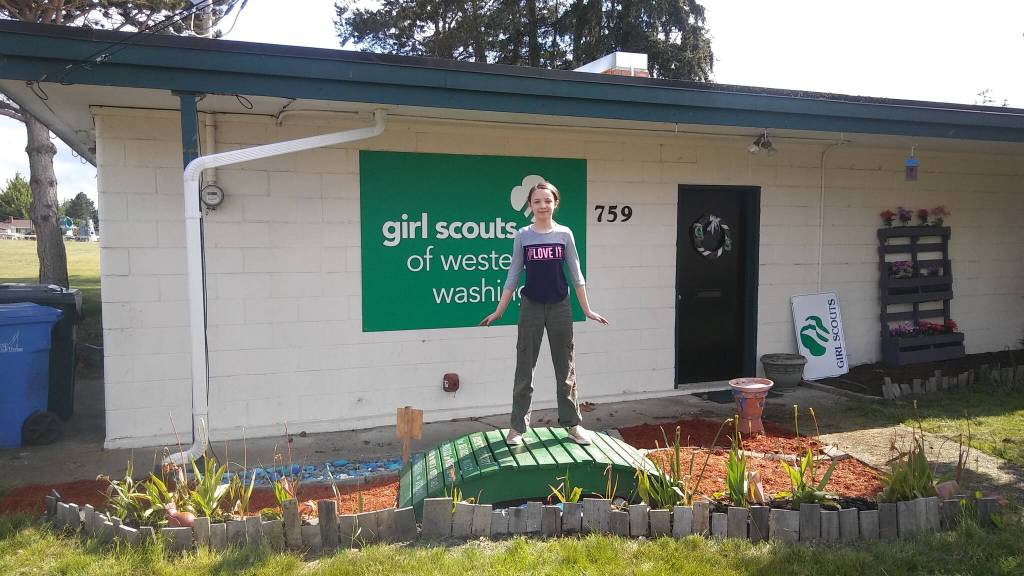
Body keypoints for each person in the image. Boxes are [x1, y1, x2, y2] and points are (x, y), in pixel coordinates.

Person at [480, 180, 608, 446]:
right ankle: (517, 428)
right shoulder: (523, 235)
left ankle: (572, 425)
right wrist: (499, 310)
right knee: (524, 369)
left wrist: (587, 309)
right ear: (530, 205)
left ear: (555, 203)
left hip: (561, 306)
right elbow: (513, 273)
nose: (542, 205)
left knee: (566, 369)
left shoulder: (564, 234)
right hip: (531, 307)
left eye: (547, 201)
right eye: (537, 201)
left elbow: (576, 274)